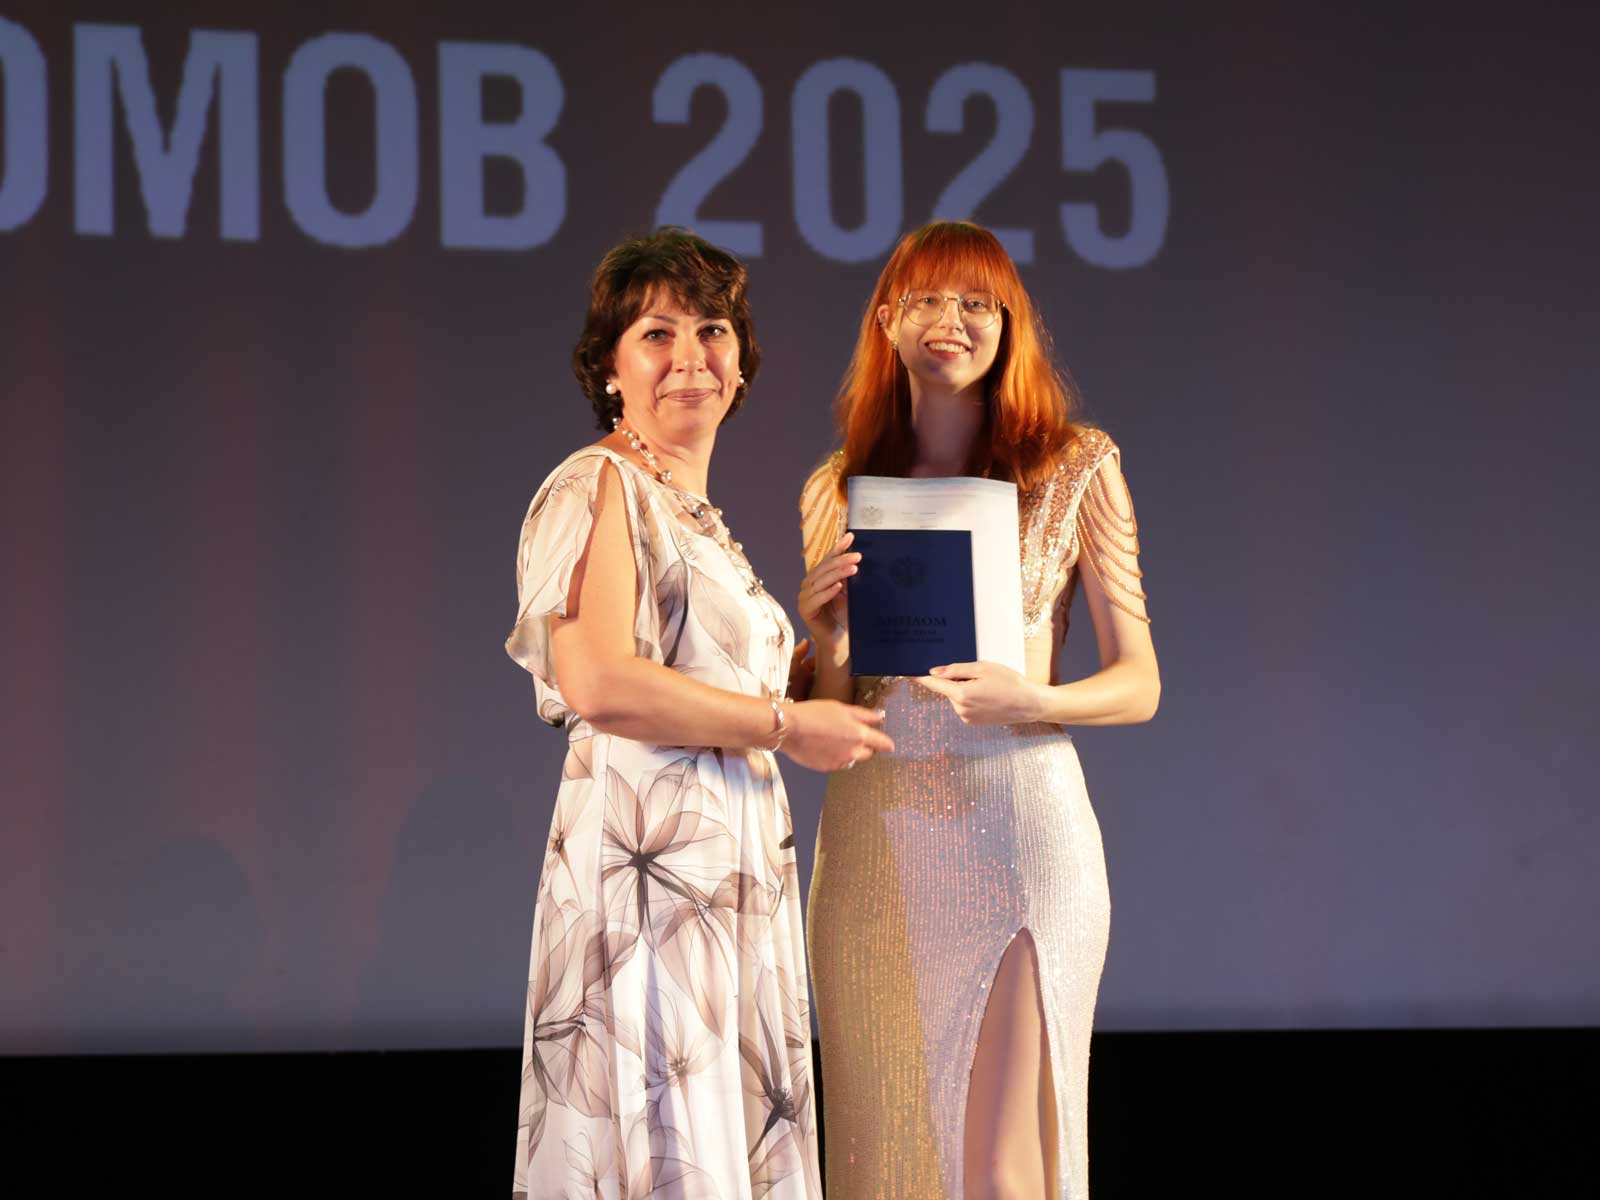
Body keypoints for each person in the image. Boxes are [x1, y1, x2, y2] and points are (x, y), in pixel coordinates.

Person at [505, 228, 892, 1199]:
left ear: (741, 362)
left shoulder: (694, 515)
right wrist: (785, 725)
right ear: (609, 369)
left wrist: (823, 645)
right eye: (656, 334)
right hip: (652, 880)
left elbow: (743, 703)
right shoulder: (597, 483)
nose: (690, 356)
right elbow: (600, 682)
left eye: (712, 330)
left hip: (728, 877)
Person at [796, 221, 1160, 1199]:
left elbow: (1140, 682)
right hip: (874, 836)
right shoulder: (835, 490)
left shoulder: (1075, 466)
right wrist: (827, 640)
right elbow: (836, 714)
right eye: (927, 298)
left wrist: (1031, 698)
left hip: (1014, 823)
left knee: (1001, 1167)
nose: (950, 320)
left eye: (976, 302)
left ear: (1010, 324)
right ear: (887, 318)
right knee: (882, 1157)